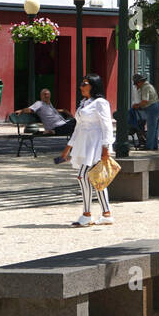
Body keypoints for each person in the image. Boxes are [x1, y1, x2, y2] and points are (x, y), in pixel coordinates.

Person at [57, 74, 115, 227]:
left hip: (96, 143)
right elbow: (78, 127)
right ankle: (106, 213)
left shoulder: (100, 103)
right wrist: (67, 149)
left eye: (85, 84)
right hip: (85, 143)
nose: (81, 86)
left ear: (93, 85)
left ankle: (87, 214)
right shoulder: (84, 103)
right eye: (81, 84)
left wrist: (106, 148)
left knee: (83, 176)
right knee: (96, 179)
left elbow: (107, 126)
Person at [127, 74, 159, 149]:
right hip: (156, 106)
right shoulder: (149, 85)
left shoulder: (145, 87)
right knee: (155, 129)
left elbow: (145, 101)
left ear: (140, 82)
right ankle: (154, 146)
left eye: (136, 84)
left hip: (152, 108)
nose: (136, 86)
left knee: (151, 129)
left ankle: (149, 146)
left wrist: (137, 105)